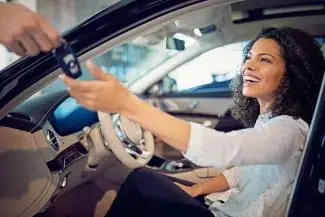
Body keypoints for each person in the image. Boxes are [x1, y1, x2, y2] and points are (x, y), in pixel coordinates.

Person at [61, 27, 325, 217]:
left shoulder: (289, 129)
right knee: (149, 184)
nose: (248, 66)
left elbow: (220, 148)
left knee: (143, 182)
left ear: (294, 74)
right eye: (248, 57)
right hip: (225, 207)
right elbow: (240, 173)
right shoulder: (270, 121)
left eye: (264, 60)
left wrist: (128, 104)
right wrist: (197, 189)